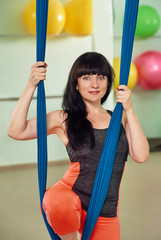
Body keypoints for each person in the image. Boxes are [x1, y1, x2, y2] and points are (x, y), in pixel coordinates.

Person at [8, 52, 149, 240]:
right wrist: (30, 85)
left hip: (105, 209)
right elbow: (16, 131)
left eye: (101, 77)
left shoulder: (119, 117)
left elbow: (141, 155)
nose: (95, 84)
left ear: (108, 83)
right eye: (86, 77)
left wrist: (129, 109)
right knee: (57, 200)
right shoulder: (64, 118)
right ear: (76, 84)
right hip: (70, 200)